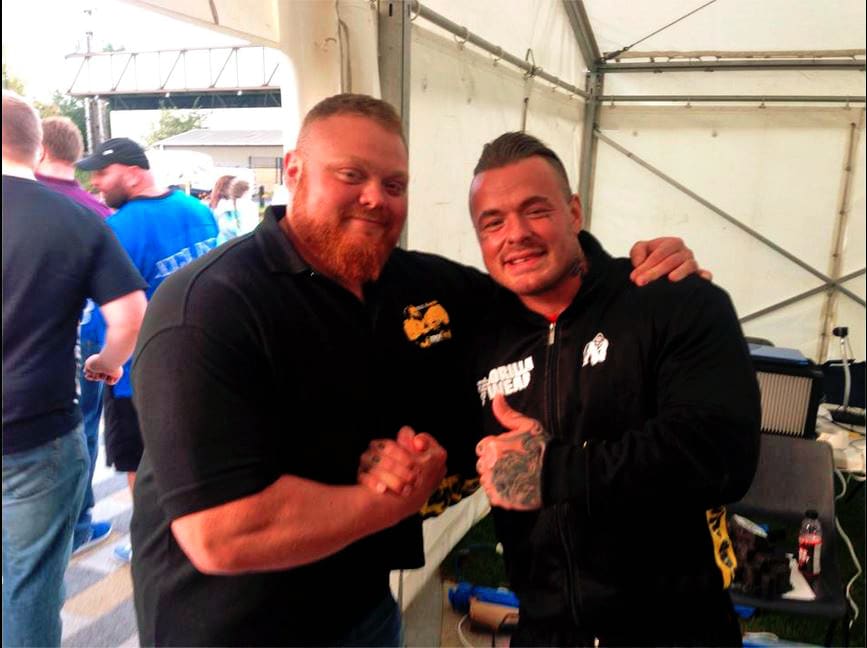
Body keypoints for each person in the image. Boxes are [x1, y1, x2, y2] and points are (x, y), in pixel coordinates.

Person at [129, 93, 703, 646]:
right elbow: (222, 533)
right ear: (295, 171)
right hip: (231, 629)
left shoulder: (418, 284)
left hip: (364, 611)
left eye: (394, 184)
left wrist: (640, 283)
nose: (375, 198)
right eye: (351, 175)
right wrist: (393, 501)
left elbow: (547, 299)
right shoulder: (208, 306)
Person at [465, 132, 761, 646]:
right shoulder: (480, 336)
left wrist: (553, 470)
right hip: (545, 633)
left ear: (574, 212)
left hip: (676, 629)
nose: (516, 235)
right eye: (493, 222)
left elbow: (721, 453)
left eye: (536, 211)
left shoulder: (673, 299)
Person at [2, 91, 147, 648]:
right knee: (30, 584)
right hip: (36, 431)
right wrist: (106, 364)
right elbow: (131, 315)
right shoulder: (77, 217)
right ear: (38, 148)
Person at [75, 137, 219, 562]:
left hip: (138, 373)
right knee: (193, 453)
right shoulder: (198, 211)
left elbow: (108, 317)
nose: (96, 183)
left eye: (103, 173)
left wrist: (102, 361)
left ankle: (151, 543)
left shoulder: (119, 229)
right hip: (200, 360)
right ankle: (196, 533)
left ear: (133, 174)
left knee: (140, 461)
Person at [36, 115, 115, 556]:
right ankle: (78, 525)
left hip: (26, 339)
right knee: (82, 428)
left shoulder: (18, 200)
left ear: (40, 149)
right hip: (87, 336)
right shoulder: (99, 213)